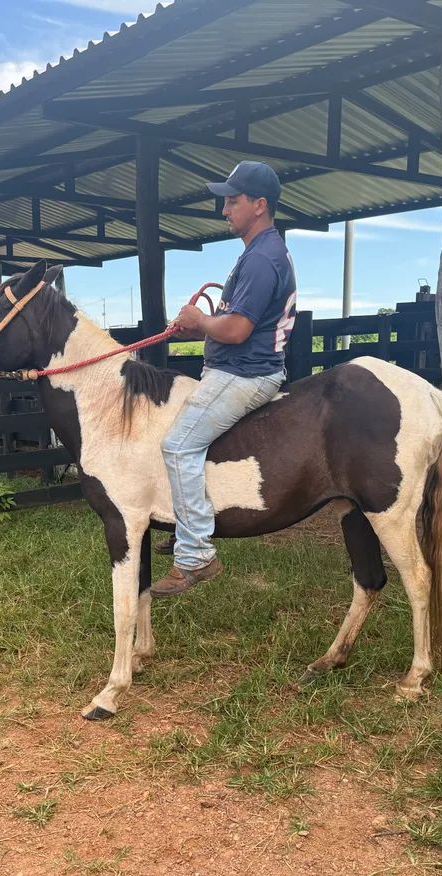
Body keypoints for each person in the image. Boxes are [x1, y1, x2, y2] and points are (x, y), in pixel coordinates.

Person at [150, 161, 298, 598]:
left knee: (177, 445)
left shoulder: (261, 259)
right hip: (239, 368)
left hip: (245, 373)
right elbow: (232, 322)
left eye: (232, 201)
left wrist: (201, 319)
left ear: (259, 205)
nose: (224, 210)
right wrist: (200, 327)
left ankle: (195, 553)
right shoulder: (262, 253)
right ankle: (186, 526)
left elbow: (236, 331)